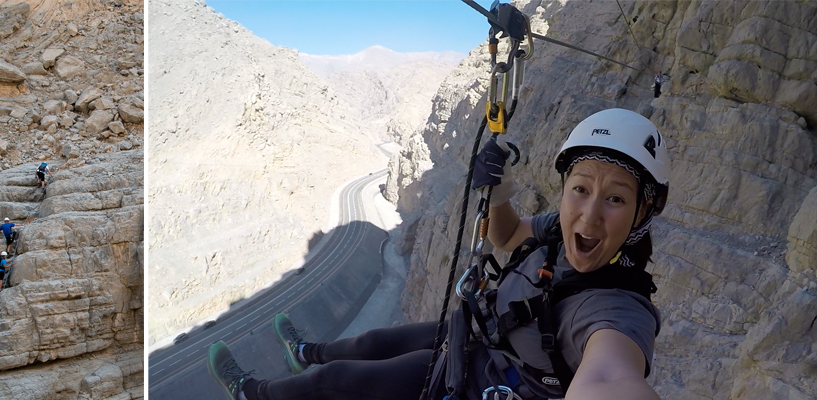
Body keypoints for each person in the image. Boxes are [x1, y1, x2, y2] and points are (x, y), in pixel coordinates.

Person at [206, 108, 670, 400]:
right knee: (369, 344)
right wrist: (500, 188)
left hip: (478, 374)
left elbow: (610, 377)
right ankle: (304, 351)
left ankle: (253, 392)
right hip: (474, 333)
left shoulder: (617, 311)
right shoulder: (559, 226)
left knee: (337, 382)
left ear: (642, 211)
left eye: (615, 199)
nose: (588, 217)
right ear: (566, 189)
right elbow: (506, 237)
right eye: (581, 189)